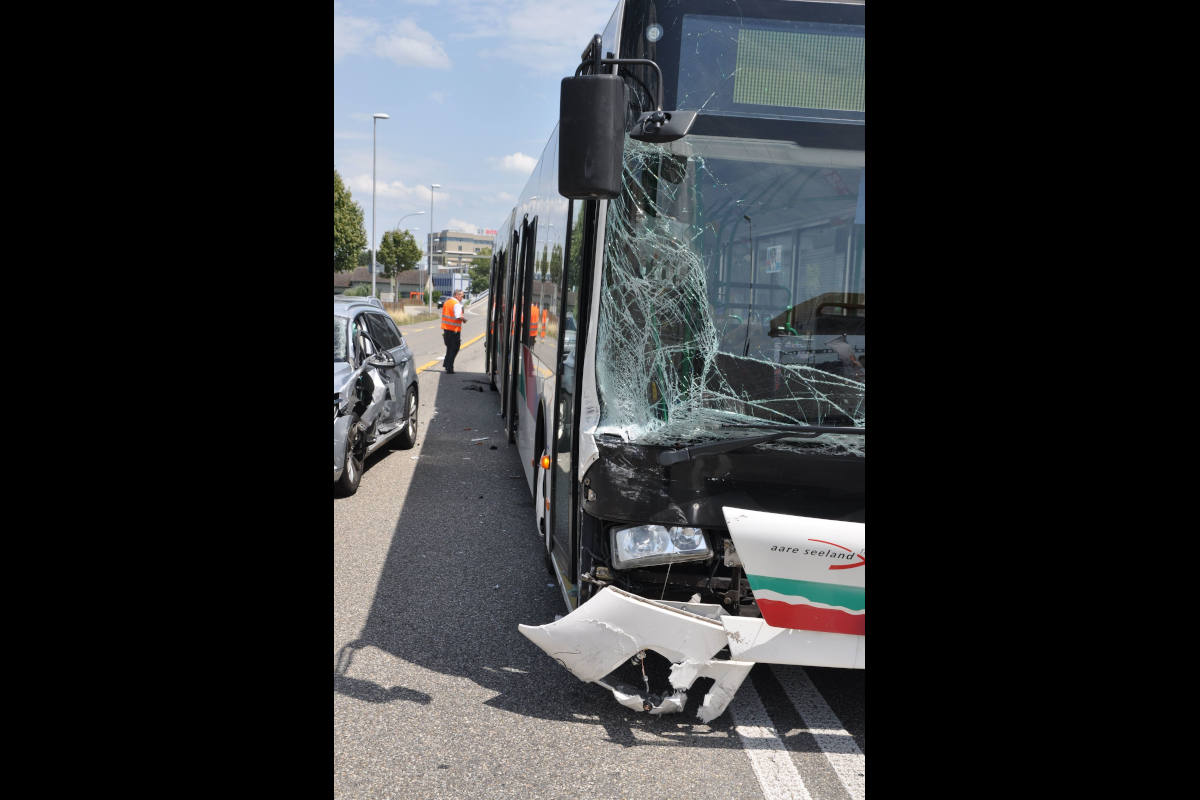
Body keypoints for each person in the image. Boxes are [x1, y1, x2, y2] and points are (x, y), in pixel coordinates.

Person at [440, 289, 466, 373]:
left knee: (449, 348)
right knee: (455, 348)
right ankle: (449, 367)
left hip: (446, 329)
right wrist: (464, 319)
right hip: (454, 330)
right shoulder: (456, 304)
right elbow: (458, 316)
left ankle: (446, 364)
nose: (462, 298)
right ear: (456, 295)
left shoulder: (447, 302)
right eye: (462, 296)